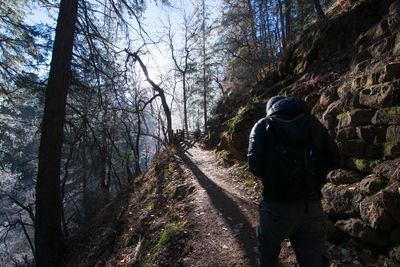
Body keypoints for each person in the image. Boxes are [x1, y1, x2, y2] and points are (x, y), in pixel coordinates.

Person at [247, 96, 342, 267]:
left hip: (276, 207)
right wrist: (315, 178)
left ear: (271, 108)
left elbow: (254, 166)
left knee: (267, 256)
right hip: (311, 206)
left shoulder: (263, 125)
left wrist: (273, 175)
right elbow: (335, 158)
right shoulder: (313, 123)